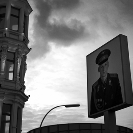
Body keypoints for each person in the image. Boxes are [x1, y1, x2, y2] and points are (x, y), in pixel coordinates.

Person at [90, 49, 123, 115]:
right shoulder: (95, 87)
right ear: (98, 69)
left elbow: (119, 101)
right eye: (101, 67)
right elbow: (93, 111)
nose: (104, 69)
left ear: (108, 65)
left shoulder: (115, 79)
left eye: (105, 65)